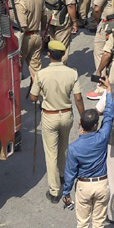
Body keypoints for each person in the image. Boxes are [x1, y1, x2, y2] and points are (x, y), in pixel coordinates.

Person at [62, 79, 114, 228]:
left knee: (83, 224)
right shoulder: (102, 137)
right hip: (102, 185)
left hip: (83, 187)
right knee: (98, 222)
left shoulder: (74, 147)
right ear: (95, 126)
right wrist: (108, 92)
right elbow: (108, 115)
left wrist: (66, 193)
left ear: (80, 124)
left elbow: (69, 174)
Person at [31, 40, 83, 203]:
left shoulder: (41, 74)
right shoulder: (72, 73)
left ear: (48, 55)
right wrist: (82, 117)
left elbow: (33, 97)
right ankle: (62, 176)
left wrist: (38, 87)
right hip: (66, 115)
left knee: (51, 153)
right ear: (63, 55)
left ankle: (54, 191)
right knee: (64, 147)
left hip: (49, 115)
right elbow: (78, 98)